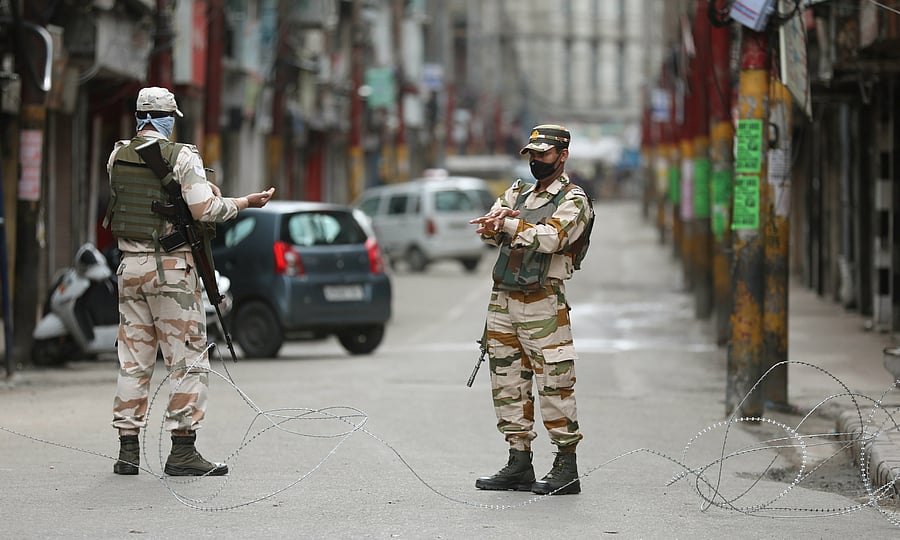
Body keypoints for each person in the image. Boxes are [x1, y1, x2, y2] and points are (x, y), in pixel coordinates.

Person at [104, 86, 275, 476]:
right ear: (169, 119)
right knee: (188, 360)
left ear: (139, 117)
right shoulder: (182, 156)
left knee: (133, 361)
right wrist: (244, 202)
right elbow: (205, 210)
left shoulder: (117, 156)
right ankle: (182, 451)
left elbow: (145, 198)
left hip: (130, 269)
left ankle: (127, 451)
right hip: (171, 274)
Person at [469, 124, 593, 495]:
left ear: (562, 155)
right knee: (507, 382)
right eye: (532, 154)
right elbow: (491, 228)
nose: (536, 160)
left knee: (555, 383)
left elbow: (552, 238)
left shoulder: (574, 199)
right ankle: (518, 461)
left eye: (543, 154)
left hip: (543, 302)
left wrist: (508, 224)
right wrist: (495, 226)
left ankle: (566, 466)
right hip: (504, 299)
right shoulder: (518, 192)